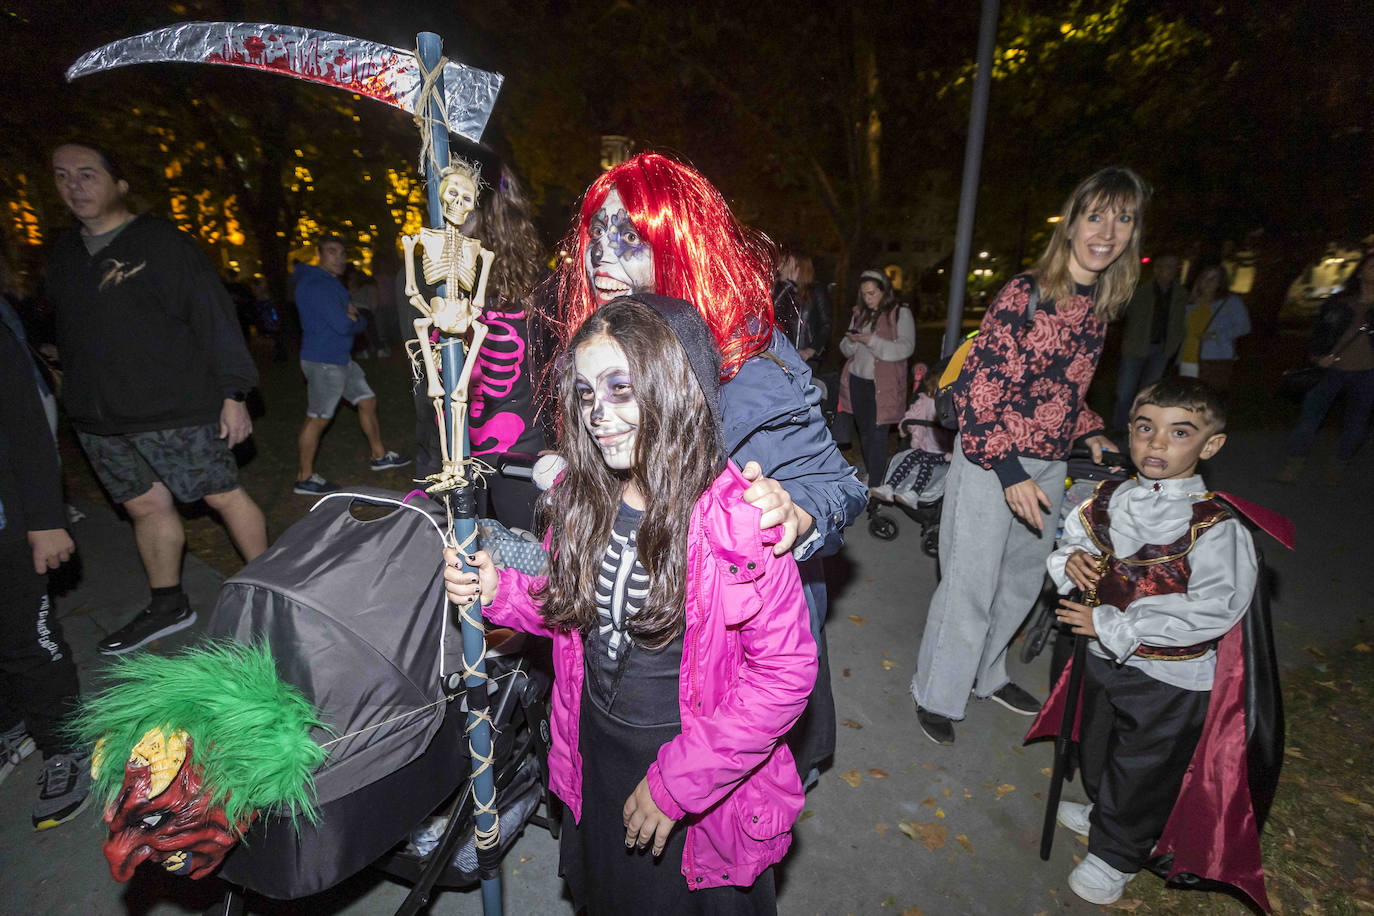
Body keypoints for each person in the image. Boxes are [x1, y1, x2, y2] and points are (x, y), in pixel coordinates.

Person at [445, 296, 816, 911]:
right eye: (587, 394)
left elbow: (785, 673)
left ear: (674, 388)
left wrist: (679, 783)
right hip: (596, 750)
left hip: (696, 767)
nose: (599, 414)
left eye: (622, 389)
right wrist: (501, 592)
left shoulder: (738, 523)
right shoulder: (581, 500)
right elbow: (577, 612)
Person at [554, 151, 867, 785]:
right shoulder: (600, 351)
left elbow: (839, 484)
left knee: (717, 840)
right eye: (595, 237)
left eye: (627, 238)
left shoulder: (745, 360)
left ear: (678, 244)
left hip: (736, 649)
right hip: (637, 635)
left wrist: (796, 509)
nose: (602, 258)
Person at [911, 167, 1146, 746]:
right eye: (1096, 216)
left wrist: (1089, 429)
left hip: (1050, 462)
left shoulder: (1101, 305)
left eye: (1123, 219)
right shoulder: (1027, 292)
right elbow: (980, 391)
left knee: (1022, 580)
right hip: (993, 457)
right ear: (1071, 225)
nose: (1107, 232)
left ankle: (985, 675)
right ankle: (937, 692)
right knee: (970, 581)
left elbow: (1062, 386)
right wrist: (1010, 472)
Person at [1034, 378, 1265, 907]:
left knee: (1144, 765)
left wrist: (1117, 626)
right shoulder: (1110, 497)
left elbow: (1214, 607)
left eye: (1179, 432)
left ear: (1210, 445)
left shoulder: (1216, 527)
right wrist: (1069, 561)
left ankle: (1118, 851)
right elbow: (1072, 539)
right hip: (1099, 656)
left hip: (1167, 676)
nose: (1157, 444)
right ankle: (1102, 807)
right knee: (1099, 744)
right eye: (1145, 428)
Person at [46, 141, 267, 656]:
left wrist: (234, 392)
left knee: (221, 495)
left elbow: (214, 316)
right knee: (146, 507)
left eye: (86, 174)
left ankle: (272, 593)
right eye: (62, 176)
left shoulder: (162, 243)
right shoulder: (62, 254)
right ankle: (169, 604)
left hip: (174, 407)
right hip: (98, 417)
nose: (74, 186)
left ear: (119, 183)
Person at [0, 303, 90, 830]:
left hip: (8, 520)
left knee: (27, 641)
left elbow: (26, 420)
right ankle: (12, 724)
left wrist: (45, 518)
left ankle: (65, 744)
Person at [460, 164, 555, 529]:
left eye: (464, 207)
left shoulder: (540, 288)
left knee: (529, 564)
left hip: (522, 459)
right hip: (459, 457)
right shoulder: (446, 284)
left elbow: (558, 372)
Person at [293, 235, 409, 495]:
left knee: (367, 400)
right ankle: (304, 477)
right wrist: (359, 320)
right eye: (332, 252)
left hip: (340, 358)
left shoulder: (325, 282)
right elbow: (345, 323)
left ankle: (379, 456)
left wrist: (351, 316)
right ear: (319, 253)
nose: (339, 258)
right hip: (325, 362)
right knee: (318, 418)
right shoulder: (319, 285)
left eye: (342, 253)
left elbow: (344, 318)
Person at [1276, 253, 1374, 485]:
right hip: (1330, 371)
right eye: (1372, 266)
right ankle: (1294, 464)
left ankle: (1339, 464)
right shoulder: (1340, 302)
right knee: (1309, 419)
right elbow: (1319, 332)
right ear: (1360, 272)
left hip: (1368, 374)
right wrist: (1317, 356)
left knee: (1357, 425)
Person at [839, 269, 915, 494]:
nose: (867, 298)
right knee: (865, 432)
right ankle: (874, 473)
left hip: (884, 386)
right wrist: (853, 342)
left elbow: (905, 348)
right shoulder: (860, 313)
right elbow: (845, 348)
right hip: (857, 381)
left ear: (884, 292)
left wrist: (871, 340)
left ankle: (875, 485)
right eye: (864, 294)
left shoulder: (900, 313)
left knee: (878, 433)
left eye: (872, 293)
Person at [1111, 253, 1186, 429]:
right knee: (1125, 391)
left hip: (1162, 349)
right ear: (1156, 269)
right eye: (1165, 266)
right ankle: (1119, 427)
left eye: (1173, 266)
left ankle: (1141, 426)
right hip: (1135, 347)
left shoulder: (1181, 293)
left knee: (1149, 393)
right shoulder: (1140, 291)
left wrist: (1173, 345)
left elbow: (1181, 321)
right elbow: (1121, 312)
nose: (1169, 270)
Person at [871, 364, 954, 510]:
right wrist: (905, 425)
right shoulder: (924, 401)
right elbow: (911, 414)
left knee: (926, 464)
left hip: (943, 452)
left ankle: (914, 493)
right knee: (908, 459)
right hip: (924, 446)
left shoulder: (951, 407)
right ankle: (889, 486)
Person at [1178, 264, 1250, 392]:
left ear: (1220, 282)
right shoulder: (1192, 301)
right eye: (1205, 277)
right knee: (1188, 397)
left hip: (1214, 360)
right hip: (1188, 357)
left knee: (1209, 398)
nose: (1207, 282)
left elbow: (1244, 327)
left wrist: (1215, 335)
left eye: (1213, 278)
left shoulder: (1231, 301)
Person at [773, 247, 832, 371]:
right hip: (780, 356)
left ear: (796, 265)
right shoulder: (780, 290)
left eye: (784, 262)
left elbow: (826, 324)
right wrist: (787, 286)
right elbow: (772, 313)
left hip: (804, 359)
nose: (779, 267)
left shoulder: (816, 290)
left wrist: (810, 351)